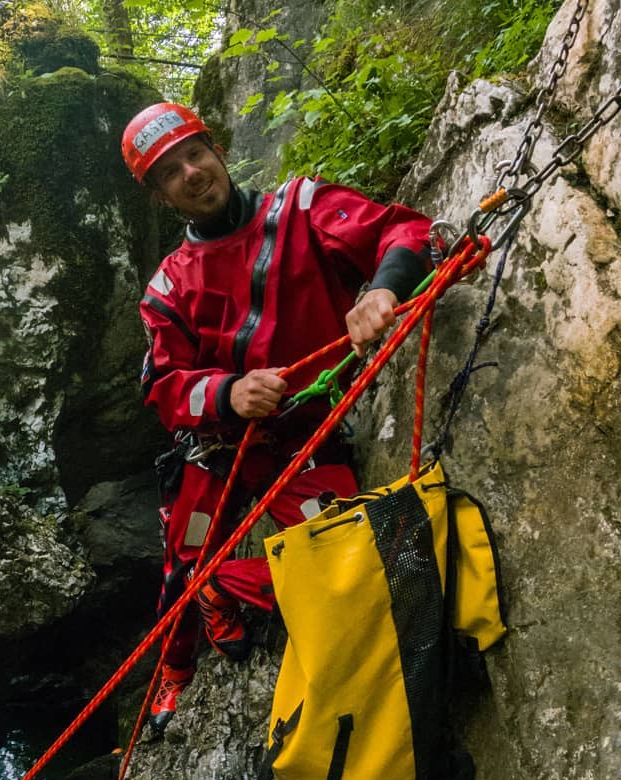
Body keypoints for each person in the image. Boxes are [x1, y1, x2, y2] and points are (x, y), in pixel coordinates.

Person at [121, 102, 436, 736]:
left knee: (347, 560)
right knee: (181, 557)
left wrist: (382, 289)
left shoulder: (300, 209)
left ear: (215, 149)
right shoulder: (169, 286)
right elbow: (162, 385)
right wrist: (227, 393)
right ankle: (174, 674)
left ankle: (226, 588)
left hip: (305, 440)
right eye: (170, 171)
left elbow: (405, 232)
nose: (192, 172)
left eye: (195, 153)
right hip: (218, 446)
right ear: (160, 194)